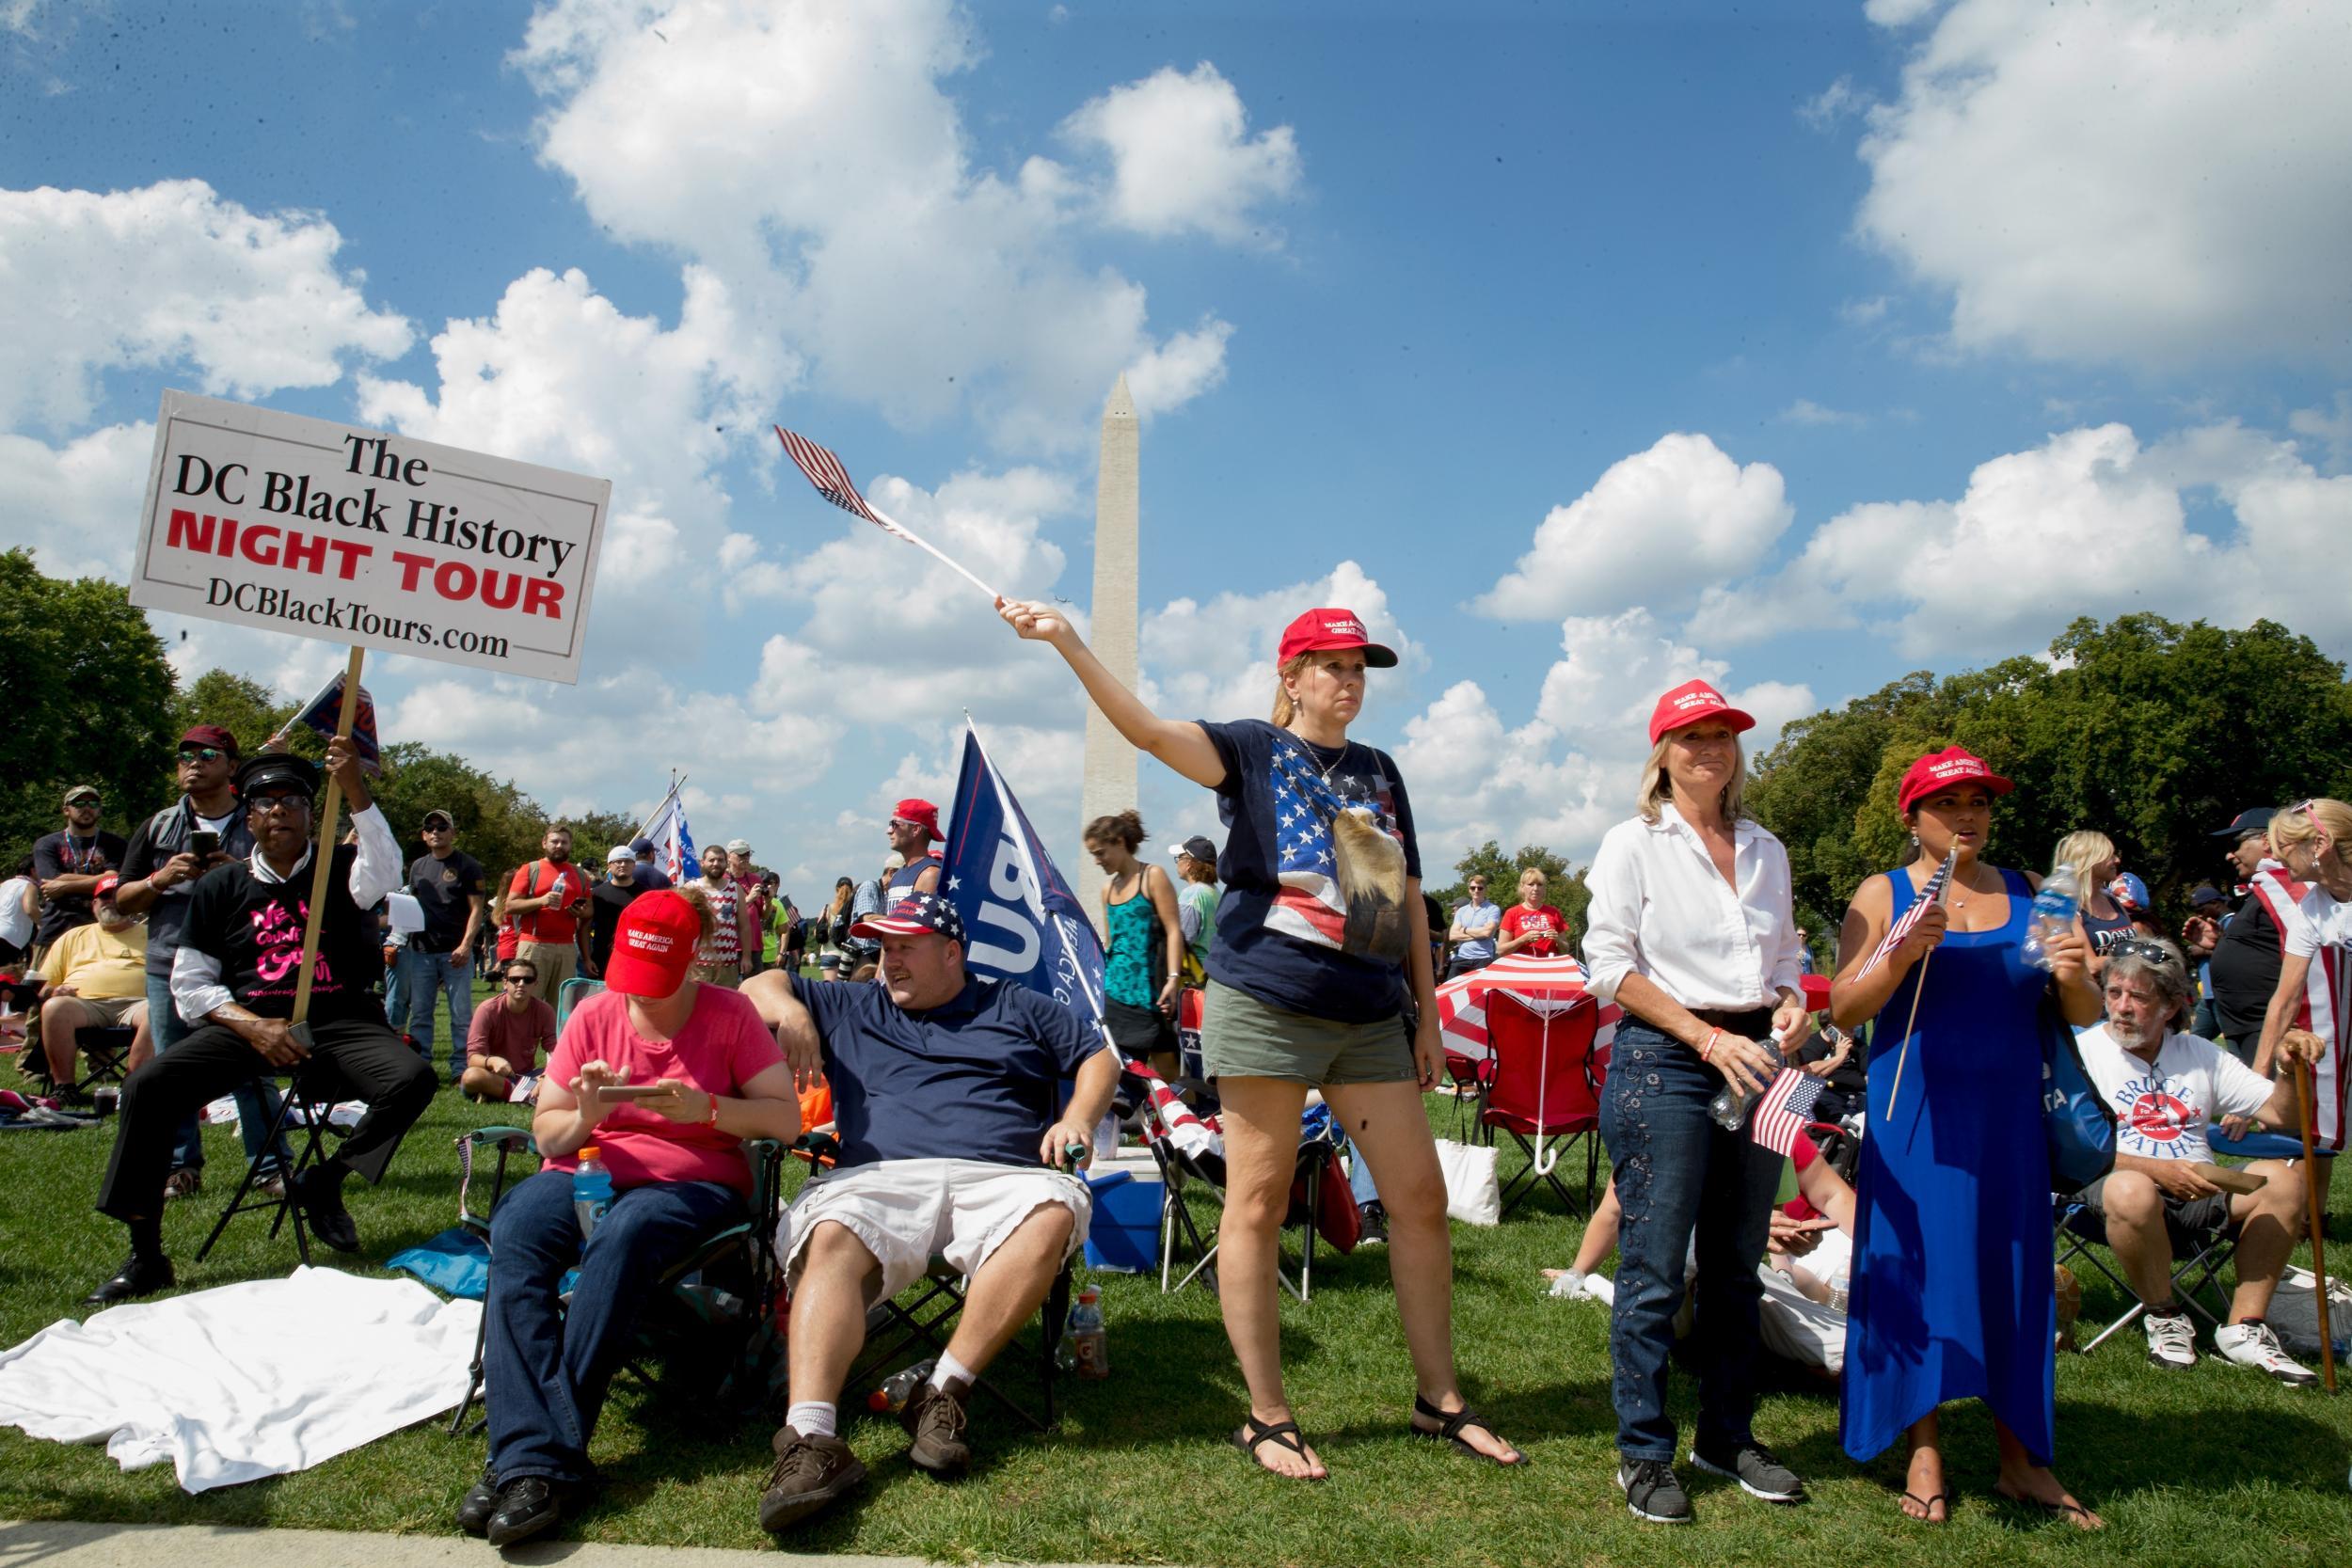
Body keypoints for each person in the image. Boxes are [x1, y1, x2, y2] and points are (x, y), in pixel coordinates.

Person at [1003, 598, 1520, 1480]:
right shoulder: (1251, 748)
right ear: (1291, 677)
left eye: (1359, 668)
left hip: (1368, 1013)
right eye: (1331, 666)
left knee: (1420, 1198)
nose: (1348, 681)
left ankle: (1440, 1399)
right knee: (1257, 1200)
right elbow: (1146, 729)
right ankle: (1268, 1414)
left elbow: (1408, 903)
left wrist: (1427, 1016)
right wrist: (1070, 643)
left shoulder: (1382, 769)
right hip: (1266, 1002)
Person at [746, 893, 1119, 1528]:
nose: (890, 961)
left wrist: (1077, 1116)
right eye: (884, 947)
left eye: (906, 947)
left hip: (1000, 1176)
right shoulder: (853, 1001)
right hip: (881, 1174)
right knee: (832, 1230)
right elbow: (758, 982)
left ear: (952, 952)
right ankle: (811, 1439)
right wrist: (789, 1009)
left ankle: (941, 1390)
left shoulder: (1015, 1005)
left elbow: (1099, 1055)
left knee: (1054, 1207)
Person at [456, 889, 800, 1547]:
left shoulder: (729, 1014)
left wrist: (706, 1109)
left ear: (692, 958)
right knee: (517, 1229)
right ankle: (540, 1462)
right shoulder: (595, 1010)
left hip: (692, 1179)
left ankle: (525, 1463)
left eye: (656, 981)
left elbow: (784, 1119)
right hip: (586, 1166)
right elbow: (549, 1132)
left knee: (628, 1232)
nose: (639, 997)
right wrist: (586, 1111)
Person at [1830, 747, 2103, 1528]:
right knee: (1923, 1274)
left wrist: (2075, 970)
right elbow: (1846, 1009)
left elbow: (2081, 1011)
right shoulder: (1883, 892)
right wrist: (1901, 952)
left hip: (2008, 1121)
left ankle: (2021, 1459)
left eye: (1979, 801)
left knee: (2013, 1275)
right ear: (1911, 817)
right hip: (1914, 1117)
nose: (1968, 816)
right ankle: (1924, 1450)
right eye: (1949, 804)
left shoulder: (2033, 892)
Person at [85, 746, 437, 1304]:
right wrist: (252, 1027)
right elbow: (191, 983)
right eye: (265, 803)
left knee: (413, 1077)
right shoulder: (219, 888)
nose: (279, 811)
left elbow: (388, 869)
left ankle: (324, 1183)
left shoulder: (340, 871)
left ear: (309, 812)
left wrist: (354, 789)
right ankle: (146, 1254)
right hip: (249, 1024)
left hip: (338, 1020)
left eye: (292, 800)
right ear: (247, 819)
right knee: (146, 1086)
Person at [1583, 678, 1809, 1524]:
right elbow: (1608, 965)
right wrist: (1706, 1037)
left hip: (1754, 1056)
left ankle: (1726, 1435)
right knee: (1650, 1269)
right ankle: (1643, 1451)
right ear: (1662, 755)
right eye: (1692, 737)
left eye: (1723, 736)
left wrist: (1791, 999)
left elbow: (1785, 954)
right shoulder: (1631, 844)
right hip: (1667, 1057)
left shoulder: (1766, 848)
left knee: (1736, 1267)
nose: (1710, 749)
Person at [2076, 936, 2322, 1386]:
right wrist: (2156, 1170)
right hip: (2110, 1193)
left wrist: (2288, 1069)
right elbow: (2067, 1148)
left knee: (2283, 1181)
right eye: (2114, 993)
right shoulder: (2083, 1055)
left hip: (2200, 1192)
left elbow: (2283, 1115)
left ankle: (2244, 1327)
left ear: (2171, 1006)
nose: (2123, 1007)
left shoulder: (2200, 1054)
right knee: (2131, 1187)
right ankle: (2165, 1315)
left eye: (2138, 996)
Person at [116, 724, 287, 1198]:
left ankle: (270, 1166)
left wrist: (239, 874)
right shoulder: (157, 826)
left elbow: (286, 889)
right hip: (169, 963)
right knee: (173, 1070)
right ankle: (179, 1167)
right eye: (185, 753)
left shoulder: (257, 823)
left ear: (232, 766)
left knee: (254, 1067)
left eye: (207, 753)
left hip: (240, 967)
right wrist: (158, 880)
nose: (194, 761)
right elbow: (122, 900)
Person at [2256, 799, 2352, 1120]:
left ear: (2321, 844)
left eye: (2283, 846)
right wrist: (2255, 1088)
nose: (2274, 857)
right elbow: (2284, 1000)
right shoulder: (2313, 909)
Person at [1088, 810, 1185, 1080]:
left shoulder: (1152, 876)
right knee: (1120, 1072)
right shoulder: (1107, 890)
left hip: (1151, 994)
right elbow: (1112, 944)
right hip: (1115, 995)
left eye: (1100, 852)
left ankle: (1189, 1115)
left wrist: (1173, 980)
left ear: (1119, 842)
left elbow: (1173, 930)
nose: (1097, 861)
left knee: (1168, 1073)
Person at [391, 808, 485, 1084]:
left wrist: (466, 946)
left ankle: (460, 1068)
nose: (436, 832)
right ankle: (421, 1067)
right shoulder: (418, 867)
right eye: (430, 828)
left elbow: (477, 910)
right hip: (420, 950)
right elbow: (409, 906)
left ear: (452, 833)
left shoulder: (468, 865)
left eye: (442, 827)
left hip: (455, 951)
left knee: (460, 1015)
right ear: (423, 835)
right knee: (420, 1013)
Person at [37, 874, 148, 1091]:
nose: (111, 901)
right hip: (85, 1005)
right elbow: (44, 987)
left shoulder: (151, 934)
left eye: (117, 896)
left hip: (138, 1004)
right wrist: (55, 991)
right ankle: (64, 1089)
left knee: (160, 1012)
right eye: (104, 897)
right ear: (94, 904)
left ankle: (131, 1090)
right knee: (54, 1008)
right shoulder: (72, 936)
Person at [2207, 807, 2298, 1067]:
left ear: (2267, 841)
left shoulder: (2289, 889)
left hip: (2271, 1025)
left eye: (2236, 843)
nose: (2229, 855)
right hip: (2244, 1024)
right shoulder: (2266, 888)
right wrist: (2220, 942)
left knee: (2279, 1105)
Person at [32, 784, 126, 954]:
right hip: (55, 931)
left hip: (102, 932)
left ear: (100, 810)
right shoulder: (47, 844)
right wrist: (101, 880)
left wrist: (65, 885)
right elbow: (51, 883)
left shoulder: (115, 844)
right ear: (66, 810)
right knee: (41, 981)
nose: (87, 809)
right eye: (79, 804)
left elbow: (114, 881)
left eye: (93, 804)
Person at [505, 827, 594, 1006]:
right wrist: (542, 900)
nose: (559, 846)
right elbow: (510, 905)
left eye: (564, 842)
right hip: (534, 944)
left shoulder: (579, 875)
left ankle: (555, 1037)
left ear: (570, 845)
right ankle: (524, 1036)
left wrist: (581, 912)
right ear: (544, 843)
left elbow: (590, 911)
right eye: (555, 841)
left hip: (567, 947)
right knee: (526, 1003)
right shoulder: (530, 869)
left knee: (562, 1006)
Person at [460, 958, 559, 1103]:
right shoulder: (487, 1010)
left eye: (528, 980)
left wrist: (545, 1076)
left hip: (528, 1075)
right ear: (505, 983)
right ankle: (528, 1095)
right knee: (471, 1077)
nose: (521, 984)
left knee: (569, 1075)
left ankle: (507, 1093)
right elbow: (473, 1058)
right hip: (493, 1075)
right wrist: (492, 1061)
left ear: (535, 984)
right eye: (515, 979)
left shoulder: (545, 1011)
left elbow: (555, 1050)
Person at [2055, 830, 2132, 971]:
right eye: (2110, 856)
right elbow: (2090, 965)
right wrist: (2138, 957)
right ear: (2090, 860)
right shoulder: (2066, 907)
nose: (2117, 860)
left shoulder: (2113, 901)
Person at [686, 850, 749, 987]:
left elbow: (744, 927)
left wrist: (746, 957)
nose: (716, 864)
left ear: (726, 864)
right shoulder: (691, 888)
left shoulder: (736, 889)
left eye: (720, 860)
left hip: (727, 964)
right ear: (702, 863)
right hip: (698, 964)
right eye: (712, 860)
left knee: (725, 1005)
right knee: (697, 1005)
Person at [586, 845, 647, 978]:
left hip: (634, 961)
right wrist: (586, 958)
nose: (623, 865)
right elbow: (585, 928)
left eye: (628, 861)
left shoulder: (646, 895)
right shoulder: (596, 894)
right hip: (601, 960)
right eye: (618, 861)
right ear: (609, 865)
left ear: (634, 865)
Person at [2180, 882, 2230, 1040]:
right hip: (2208, 996)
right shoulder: (2206, 926)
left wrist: (2203, 950)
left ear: (2215, 903)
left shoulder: (2229, 922)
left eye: (2201, 910)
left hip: (2224, 995)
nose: (2199, 915)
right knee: (2193, 1043)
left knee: (2236, 1044)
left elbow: (2237, 954)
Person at [1168, 835, 1221, 977]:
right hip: (1214, 974)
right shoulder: (1216, 893)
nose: (1177, 862)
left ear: (1189, 863)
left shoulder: (1191, 896)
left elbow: (1182, 940)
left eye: (1179, 857)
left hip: (1194, 978)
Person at [1497, 867, 1567, 958]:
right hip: (1521, 967)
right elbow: (1501, 951)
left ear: (1544, 888)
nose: (1535, 888)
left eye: (1539, 884)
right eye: (1531, 884)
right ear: (1522, 887)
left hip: (1549, 967)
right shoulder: (1512, 913)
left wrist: (1557, 939)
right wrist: (1524, 939)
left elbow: (1565, 950)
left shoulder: (1554, 912)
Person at [1444, 875, 1502, 978]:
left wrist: (1464, 929)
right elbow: (1452, 936)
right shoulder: (1461, 911)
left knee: (1481, 992)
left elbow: (1486, 933)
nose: (1476, 890)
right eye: (1473, 888)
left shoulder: (1493, 909)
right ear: (1469, 890)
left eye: (1480, 888)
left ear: (1485, 890)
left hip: (1483, 958)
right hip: (1462, 957)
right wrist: (1478, 934)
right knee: (1449, 989)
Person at [884, 801, 944, 899]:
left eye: (895, 824)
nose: (889, 831)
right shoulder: (897, 876)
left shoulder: (930, 874)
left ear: (916, 829)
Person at [726, 840, 768, 974]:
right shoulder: (722, 879)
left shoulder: (756, 880)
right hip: (729, 946)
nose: (745, 858)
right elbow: (723, 912)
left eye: (747, 855)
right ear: (729, 856)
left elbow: (764, 916)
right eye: (740, 855)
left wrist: (769, 900)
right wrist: (749, 899)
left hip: (753, 946)